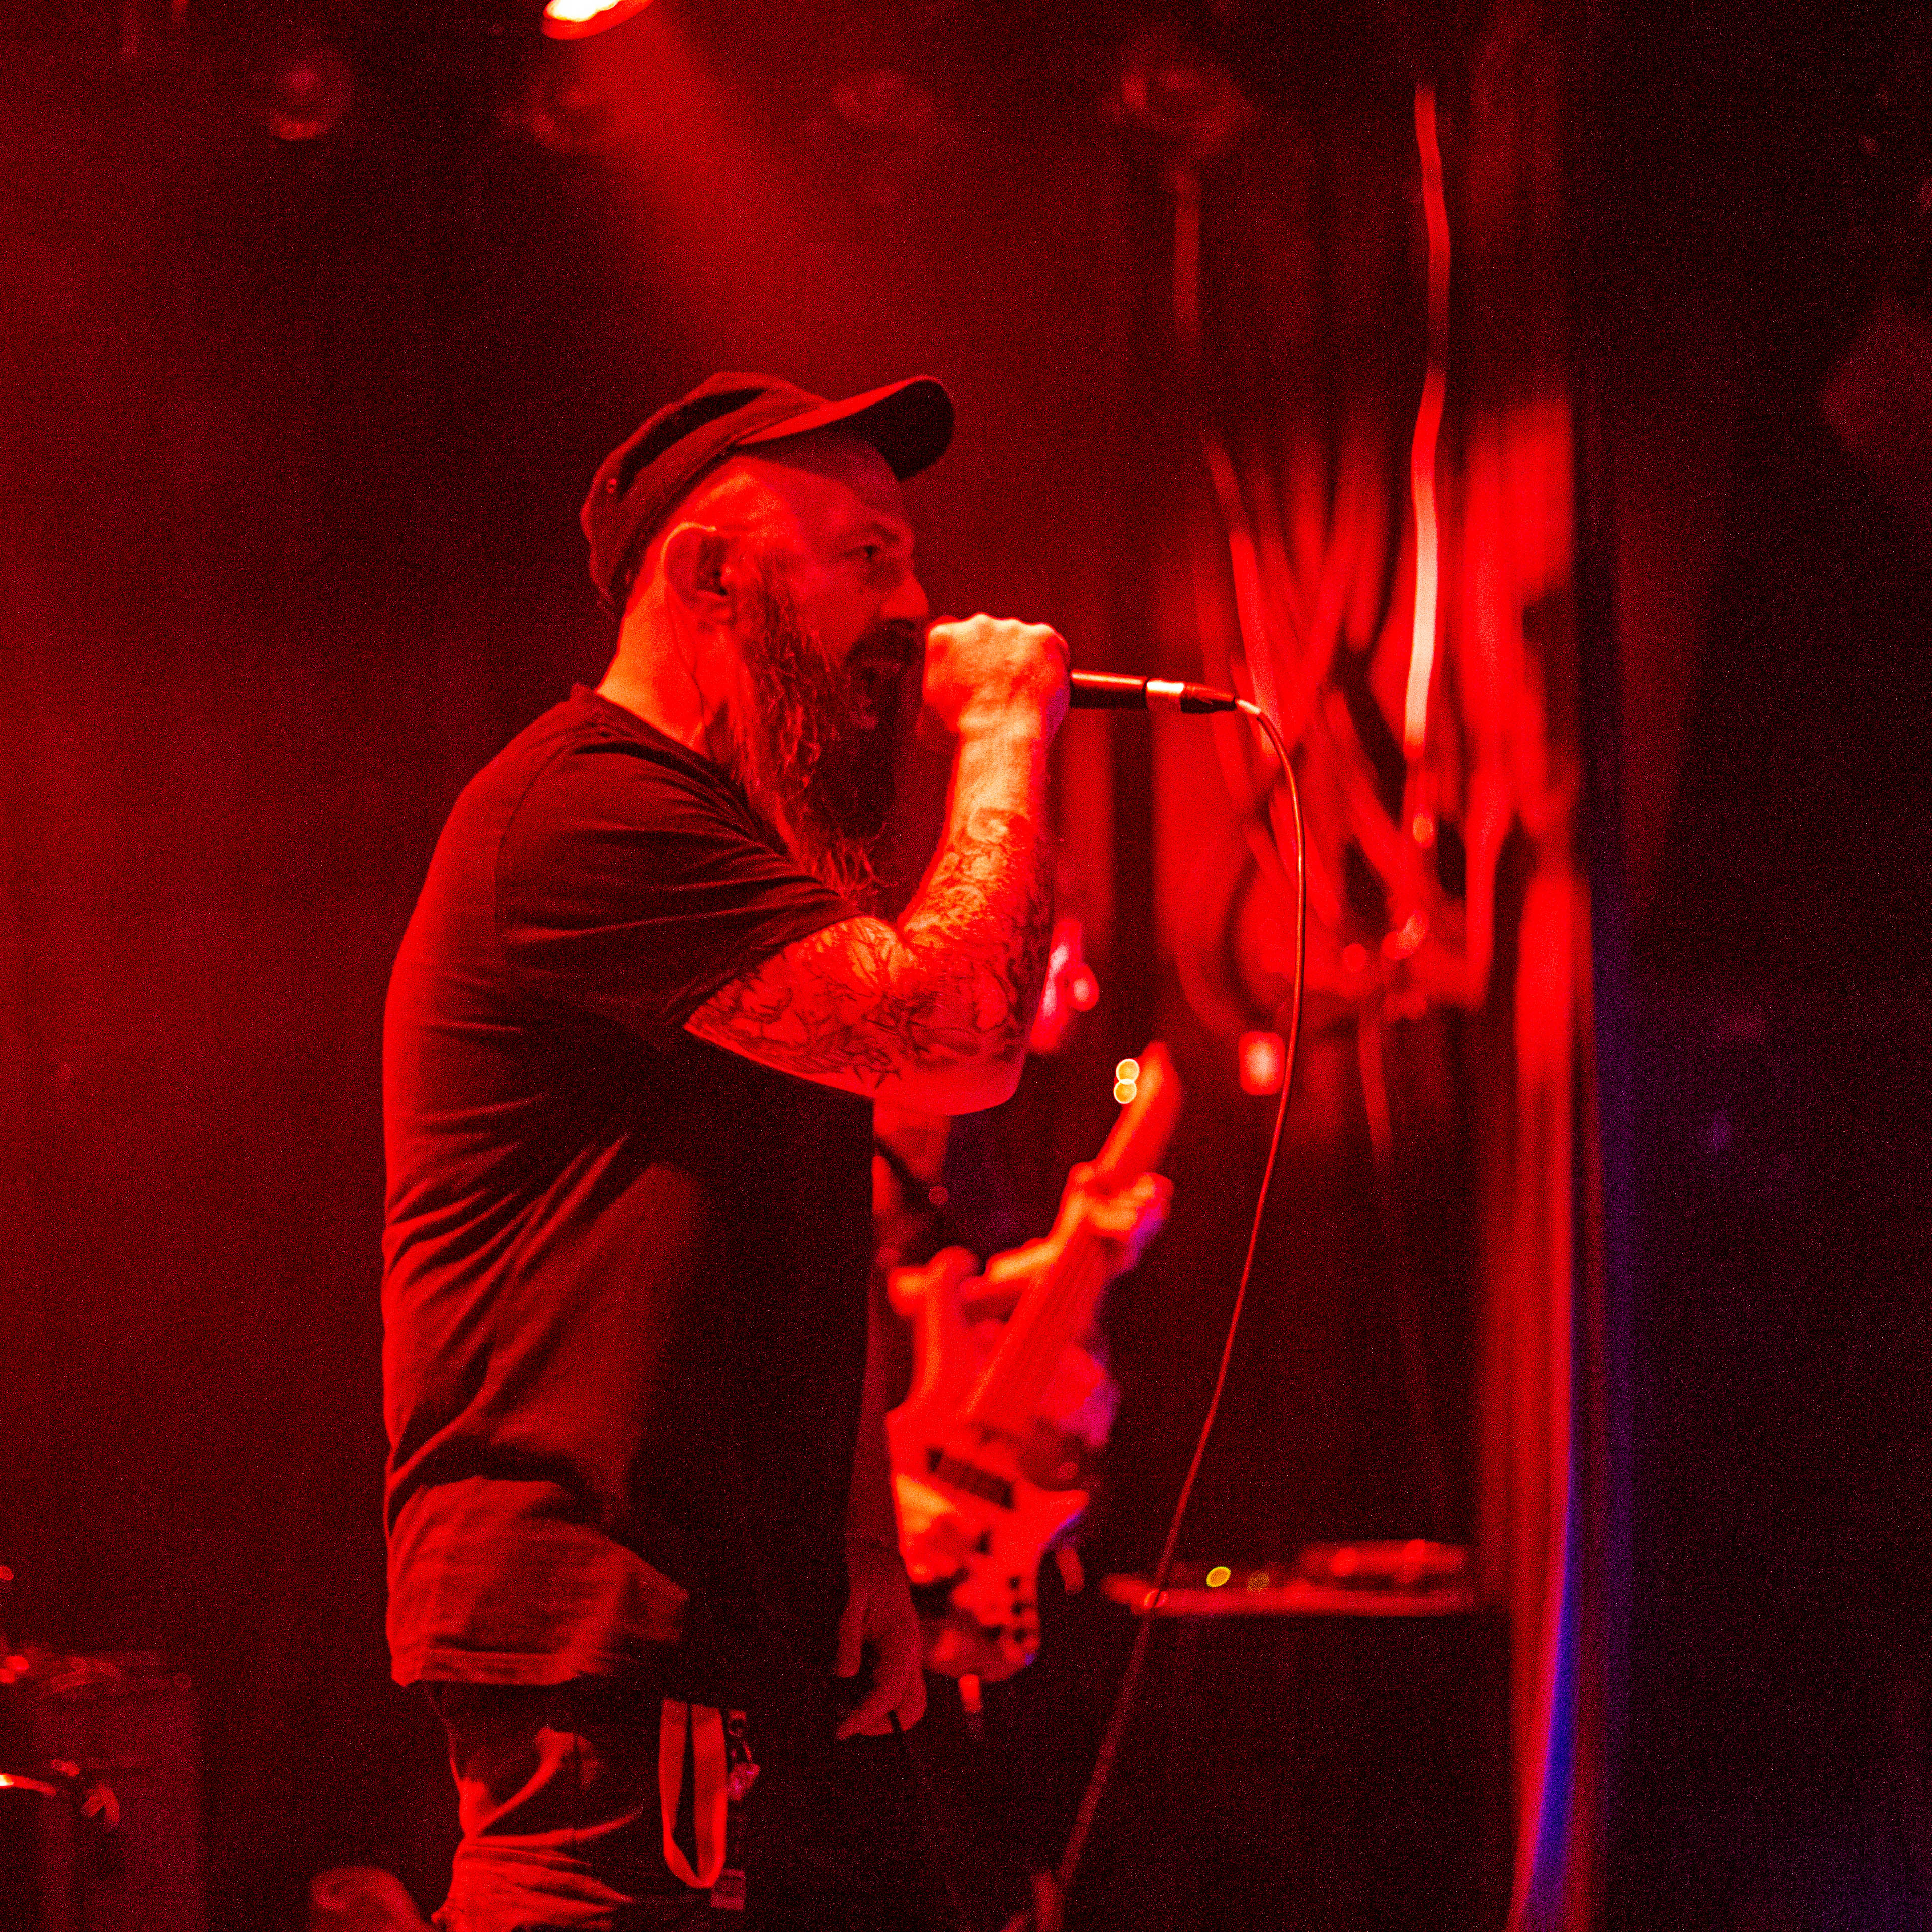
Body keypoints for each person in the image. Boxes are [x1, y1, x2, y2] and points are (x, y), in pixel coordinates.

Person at [381, 370, 1070, 1930]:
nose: (917, 608)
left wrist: (862, 1542)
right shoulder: (585, 812)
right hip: (611, 1631)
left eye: (911, 560)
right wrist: (1005, 730)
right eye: (868, 558)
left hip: (759, 1625)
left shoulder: (741, 857)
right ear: (708, 575)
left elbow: (792, 1229)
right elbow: (962, 1033)